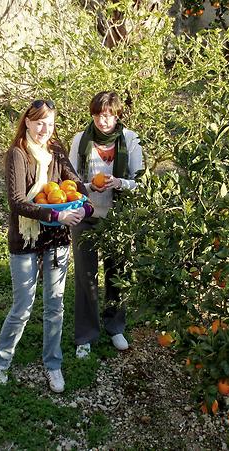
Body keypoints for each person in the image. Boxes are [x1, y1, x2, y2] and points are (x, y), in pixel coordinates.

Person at [0, 99, 93, 392]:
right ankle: (1, 360)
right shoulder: (17, 154)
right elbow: (17, 201)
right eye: (39, 122)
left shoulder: (57, 151)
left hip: (57, 237)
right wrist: (55, 213)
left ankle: (53, 364)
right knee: (22, 305)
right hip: (26, 238)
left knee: (54, 305)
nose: (44, 130)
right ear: (27, 122)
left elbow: (76, 184)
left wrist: (83, 207)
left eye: (49, 124)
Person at [69, 91, 143, 358]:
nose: (104, 120)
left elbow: (141, 183)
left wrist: (120, 183)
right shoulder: (80, 140)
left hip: (118, 218)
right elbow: (71, 182)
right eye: (99, 114)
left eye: (109, 114)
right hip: (85, 216)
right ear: (93, 115)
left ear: (117, 114)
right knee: (86, 278)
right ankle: (86, 335)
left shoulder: (131, 140)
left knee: (118, 275)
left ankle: (116, 326)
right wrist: (89, 186)